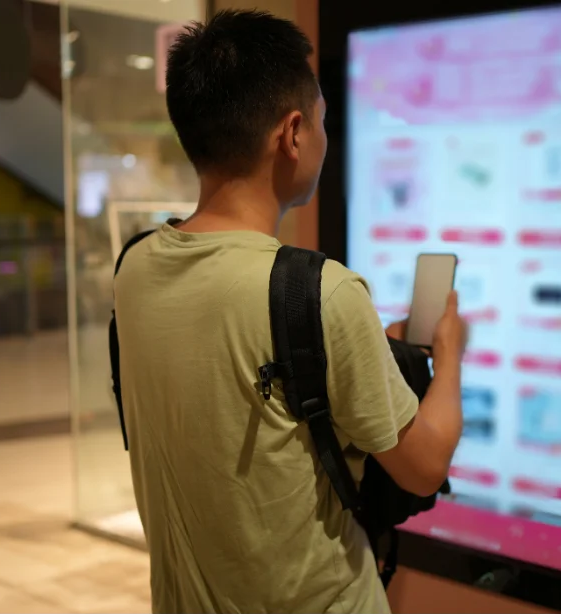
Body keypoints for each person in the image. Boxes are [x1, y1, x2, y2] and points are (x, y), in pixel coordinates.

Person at [113, 10, 468, 614]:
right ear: (293, 133)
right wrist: (450, 354)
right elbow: (424, 466)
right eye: (323, 120)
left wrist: (365, 348)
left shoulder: (137, 266)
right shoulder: (321, 292)